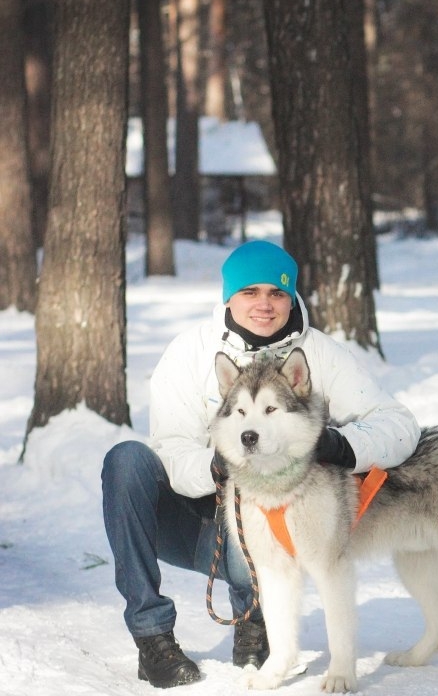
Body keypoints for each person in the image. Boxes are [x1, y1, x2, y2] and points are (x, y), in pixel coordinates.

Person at [101, 240, 420, 688]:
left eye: (277, 292)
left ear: (292, 298)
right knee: (125, 462)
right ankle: (152, 636)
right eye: (250, 291)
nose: (265, 304)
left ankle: (256, 620)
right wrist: (217, 466)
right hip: (202, 523)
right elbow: (170, 446)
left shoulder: (318, 354)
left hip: (273, 531)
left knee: (279, 515)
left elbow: (399, 425)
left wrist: (341, 446)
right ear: (229, 297)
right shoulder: (190, 353)